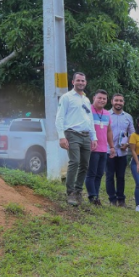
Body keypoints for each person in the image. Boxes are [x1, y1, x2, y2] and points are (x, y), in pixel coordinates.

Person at [55, 72, 97, 206]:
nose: (81, 83)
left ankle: (78, 192)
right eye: (78, 80)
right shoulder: (66, 97)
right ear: (73, 82)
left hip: (85, 135)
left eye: (83, 81)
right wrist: (61, 137)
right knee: (75, 161)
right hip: (72, 134)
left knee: (85, 164)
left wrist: (93, 137)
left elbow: (90, 119)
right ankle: (70, 192)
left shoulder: (86, 99)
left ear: (86, 83)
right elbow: (59, 118)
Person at [84, 89, 114, 205]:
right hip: (92, 148)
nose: (101, 100)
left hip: (103, 149)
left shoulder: (107, 114)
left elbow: (109, 131)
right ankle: (92, 196)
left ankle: (96, 196)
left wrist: (111, 147)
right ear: (94, 98)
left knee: (99, 174)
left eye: (104, 98)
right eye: (99, 98)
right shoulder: (88, 111)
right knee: (91, 173)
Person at [106, 93, 134, 207]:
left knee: (121, 176)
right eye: (116, 100)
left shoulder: (128, 117)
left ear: (123, 103)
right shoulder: (106, 115)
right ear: (112, 101)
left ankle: (121, 200)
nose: (118, 103)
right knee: (109, 176)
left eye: (121, 101)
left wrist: (127, 144)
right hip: (108, 150)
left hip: (122, 151)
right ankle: (112, 200)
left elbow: (132, 133)